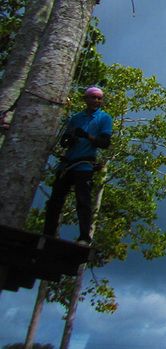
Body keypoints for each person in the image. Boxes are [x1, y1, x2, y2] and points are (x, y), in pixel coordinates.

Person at [43, 86, 113, 244]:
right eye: (93, 97)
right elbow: (64, 140)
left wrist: (87, 136)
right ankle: (48, 233)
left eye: (99, 98)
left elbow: (104, 142)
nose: (96, 100)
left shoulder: (104, 118)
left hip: (84, 165)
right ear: (86, 99)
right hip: (68, 164)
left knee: (83, 200)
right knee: (55, 201)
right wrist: (69, 139)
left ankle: (84, 236)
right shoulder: (76, 118)